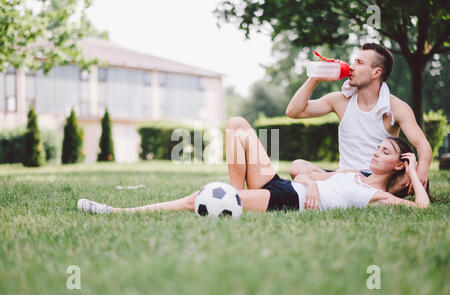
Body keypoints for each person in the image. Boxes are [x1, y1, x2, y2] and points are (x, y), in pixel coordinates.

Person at [77, 117, 430, 215]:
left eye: (383, 152)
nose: (374, 153)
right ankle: (231, 196)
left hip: (285, 202)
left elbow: (421, 209)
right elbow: (303, 170)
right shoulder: (355, 174)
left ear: (398, 165)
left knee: (193, 198)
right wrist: (310, 181)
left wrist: (415, 170)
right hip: (287, 187)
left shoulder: (379, 196)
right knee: (236, 125)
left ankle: (118, 211)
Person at [286, 43, 432, 194]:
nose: (351, 67)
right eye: (354, 61)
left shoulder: (396, 107)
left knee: (402, 181)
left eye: (359, 63)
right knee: (297, 167)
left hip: (378, 178)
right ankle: (351, 185)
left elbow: (422, 145)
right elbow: (294, 112)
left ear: (376, 72)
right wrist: (314, 79)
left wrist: (421, 171)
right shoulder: (340, 100)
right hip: (344, 174)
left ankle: (345, 185)